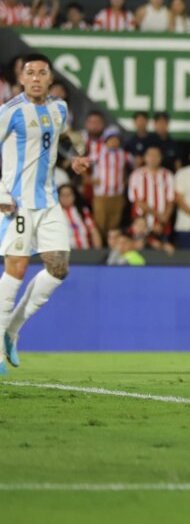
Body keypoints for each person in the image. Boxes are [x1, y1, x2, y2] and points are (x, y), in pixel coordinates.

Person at [0, 54, 92, 373]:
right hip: (17, 201)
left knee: (58, 268)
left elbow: (60, 136)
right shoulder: (9, 112)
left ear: (50, 79)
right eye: (30, 73)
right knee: (17, 267)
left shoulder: (59, 108)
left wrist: (75, 158)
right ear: (21, 80)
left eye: (42, 72)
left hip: (49, 200)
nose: (36, 78)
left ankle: (11, 330)